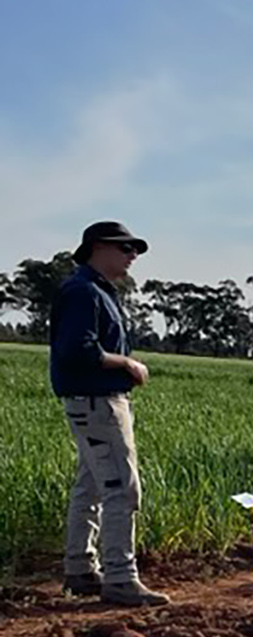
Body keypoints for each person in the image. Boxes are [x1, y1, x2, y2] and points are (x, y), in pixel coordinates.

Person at [49, 222, 169, 607]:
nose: (132, 255)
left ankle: (81, 570)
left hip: (92, 402)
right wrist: (127, 364)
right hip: (99, 402)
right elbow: (77, 349)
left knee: (91, 485)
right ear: (98, 247)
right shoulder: (84, 292)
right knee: (121, 488)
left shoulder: (95, 291)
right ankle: (120, 577)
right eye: (126, 248)